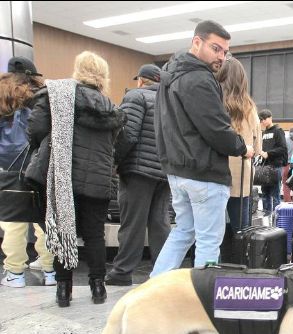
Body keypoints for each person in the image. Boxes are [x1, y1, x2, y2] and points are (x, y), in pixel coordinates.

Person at [150, 20, 255, 276]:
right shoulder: (200, 79)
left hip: (177, 171)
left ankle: (155, 287)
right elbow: (217, 129)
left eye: (225, 52)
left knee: (183, 232)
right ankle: (202, 299)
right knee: (208, 241)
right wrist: (242, 148)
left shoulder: (170, 74)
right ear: (197, 42)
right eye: (216, 48)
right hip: (204, 173)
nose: (221, 57)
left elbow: (162, 124)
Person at [28, 51, 126, 306]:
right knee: (95, 235)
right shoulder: (111, 109)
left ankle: (63, 290)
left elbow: (36, 128)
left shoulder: (57, 96)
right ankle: (98, 288)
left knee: (64, 233)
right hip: (99, 180)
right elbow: (118, 145)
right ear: (103, 76)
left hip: (64, 175)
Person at [105, 64, 169, 287]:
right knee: (160, 223)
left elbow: (128, 135)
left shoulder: (135, 96)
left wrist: (115, 161)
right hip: (165, 172)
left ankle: (122, 272)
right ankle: (164, 272)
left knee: (133, 223)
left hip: (138, 171)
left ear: (141, 80)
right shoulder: (170, 100)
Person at [0, 57, 56, 288]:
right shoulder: (43, 96)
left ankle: (15, 273)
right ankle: (50, 270)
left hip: (8, 169)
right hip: (40, 166)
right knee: (43, 221)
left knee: (12, 223)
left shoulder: (3, 96)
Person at [215, 57, 261, 232]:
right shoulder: (250, 109)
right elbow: (257, 150)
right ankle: (242, 260)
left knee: (210, 234)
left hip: (215, 176)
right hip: (242, 178)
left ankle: (211, 261)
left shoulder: (213, 105)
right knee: (242, 231)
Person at [257, 109, 287, 215]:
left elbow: (283, 148)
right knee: (265, 193)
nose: (262, 122)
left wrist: (268, 153)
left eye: (264, 119)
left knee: (275, 194)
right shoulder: (264, 133)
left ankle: (277, 219)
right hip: (265, 167)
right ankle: (266, 217)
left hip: (275, 166)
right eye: (261, 120)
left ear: (270, 118)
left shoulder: (278, 131)